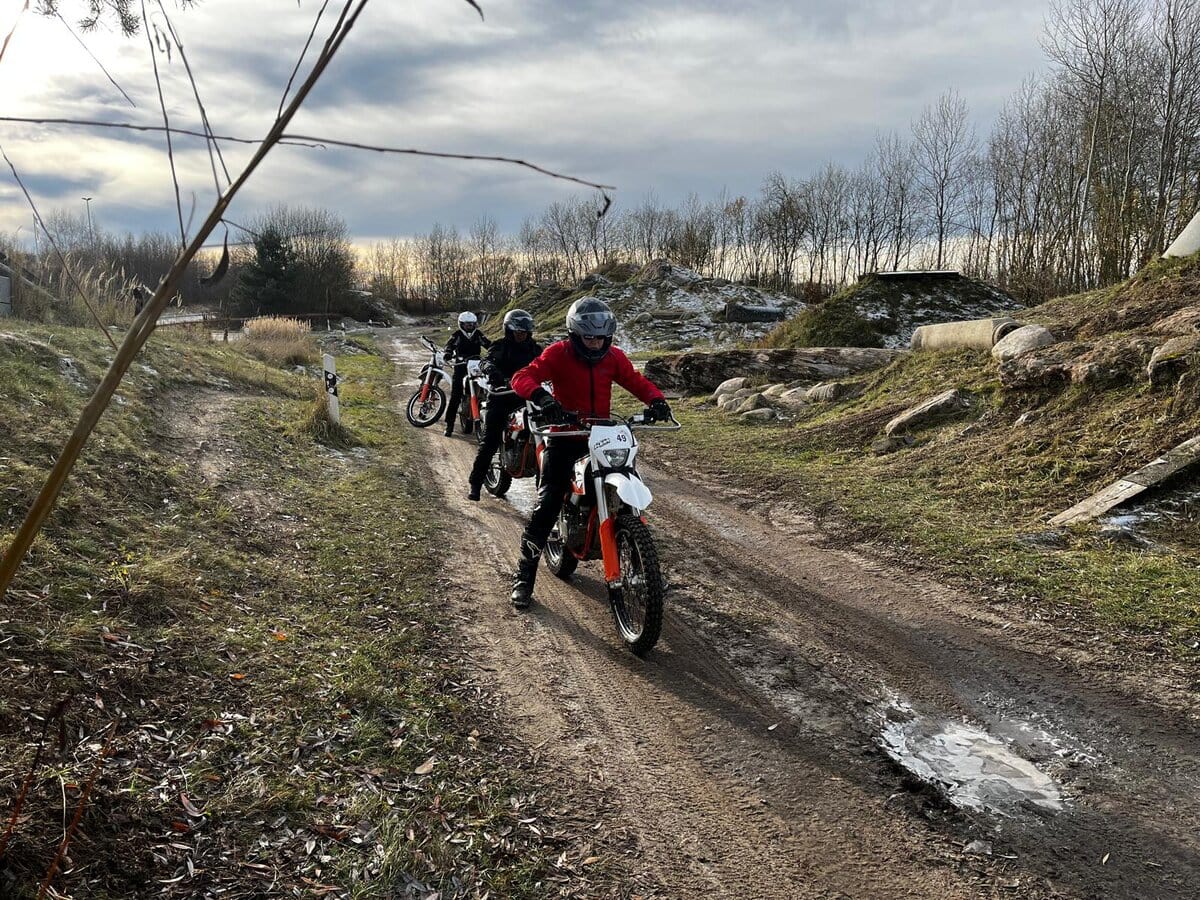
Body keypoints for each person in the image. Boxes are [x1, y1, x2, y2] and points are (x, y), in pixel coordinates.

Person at [507, 297, 672, 609]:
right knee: (548, 503)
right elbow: (522, 377)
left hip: (602, 435)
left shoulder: (614, 357)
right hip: (565, 435)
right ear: (575, 334)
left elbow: (635, 381)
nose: (595, 343)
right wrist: (543, 398)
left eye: (600, 337)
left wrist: (656, 399)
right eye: (589, 337)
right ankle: (524, 577)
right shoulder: (558, 354)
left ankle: (644, 565)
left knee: (627, 494)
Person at [466, 309, 542, 501]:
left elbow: (547, 365)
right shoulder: (500, 346)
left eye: (524, 332)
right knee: (490, 442)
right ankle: (475, 484)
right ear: (509, 330)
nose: (521, 335)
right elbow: (487, 361)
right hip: (502, 396)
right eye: (518, 332)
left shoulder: (535, 349)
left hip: (528, 398)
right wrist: (491, 370)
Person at [443, 311, 492, 437]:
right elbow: (449, 345)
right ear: (461, 324)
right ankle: (449, 425)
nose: (470, 327)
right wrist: (448, 352)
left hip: (476, 365)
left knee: (487, 388)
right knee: (455, 396)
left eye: (472, 324)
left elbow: (488, 344)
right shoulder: (457, 335)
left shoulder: (478, 334)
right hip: (461, 366)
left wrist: (495, 351)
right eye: (467, 325)